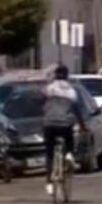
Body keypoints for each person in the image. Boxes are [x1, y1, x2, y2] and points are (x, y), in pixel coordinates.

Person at [43, 65, 86, 196]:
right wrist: (83, 125)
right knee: (69, 138)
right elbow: (77, 110)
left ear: (55, 75)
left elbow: (40, 102)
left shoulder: (49, 89)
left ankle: (49, 183)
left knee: (50, 154)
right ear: (67, 76)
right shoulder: (71, 91)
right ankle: (69, 154)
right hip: (65, 124)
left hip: (49, 124)